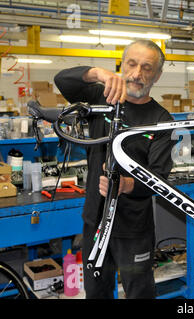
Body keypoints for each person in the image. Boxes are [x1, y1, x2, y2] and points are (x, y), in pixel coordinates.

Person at [54, 39, 174, 299]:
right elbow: (62, 80)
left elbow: (160, 177)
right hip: (94, 219)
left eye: (147, 68)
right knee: (96, 292)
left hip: (133, 227)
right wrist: (97, 73)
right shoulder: (101, 97)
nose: (137, 74)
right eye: (131, 64)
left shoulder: (161, 120)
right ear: (121, 65)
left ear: (157, 75)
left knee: (139, 292)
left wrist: (128, 184)